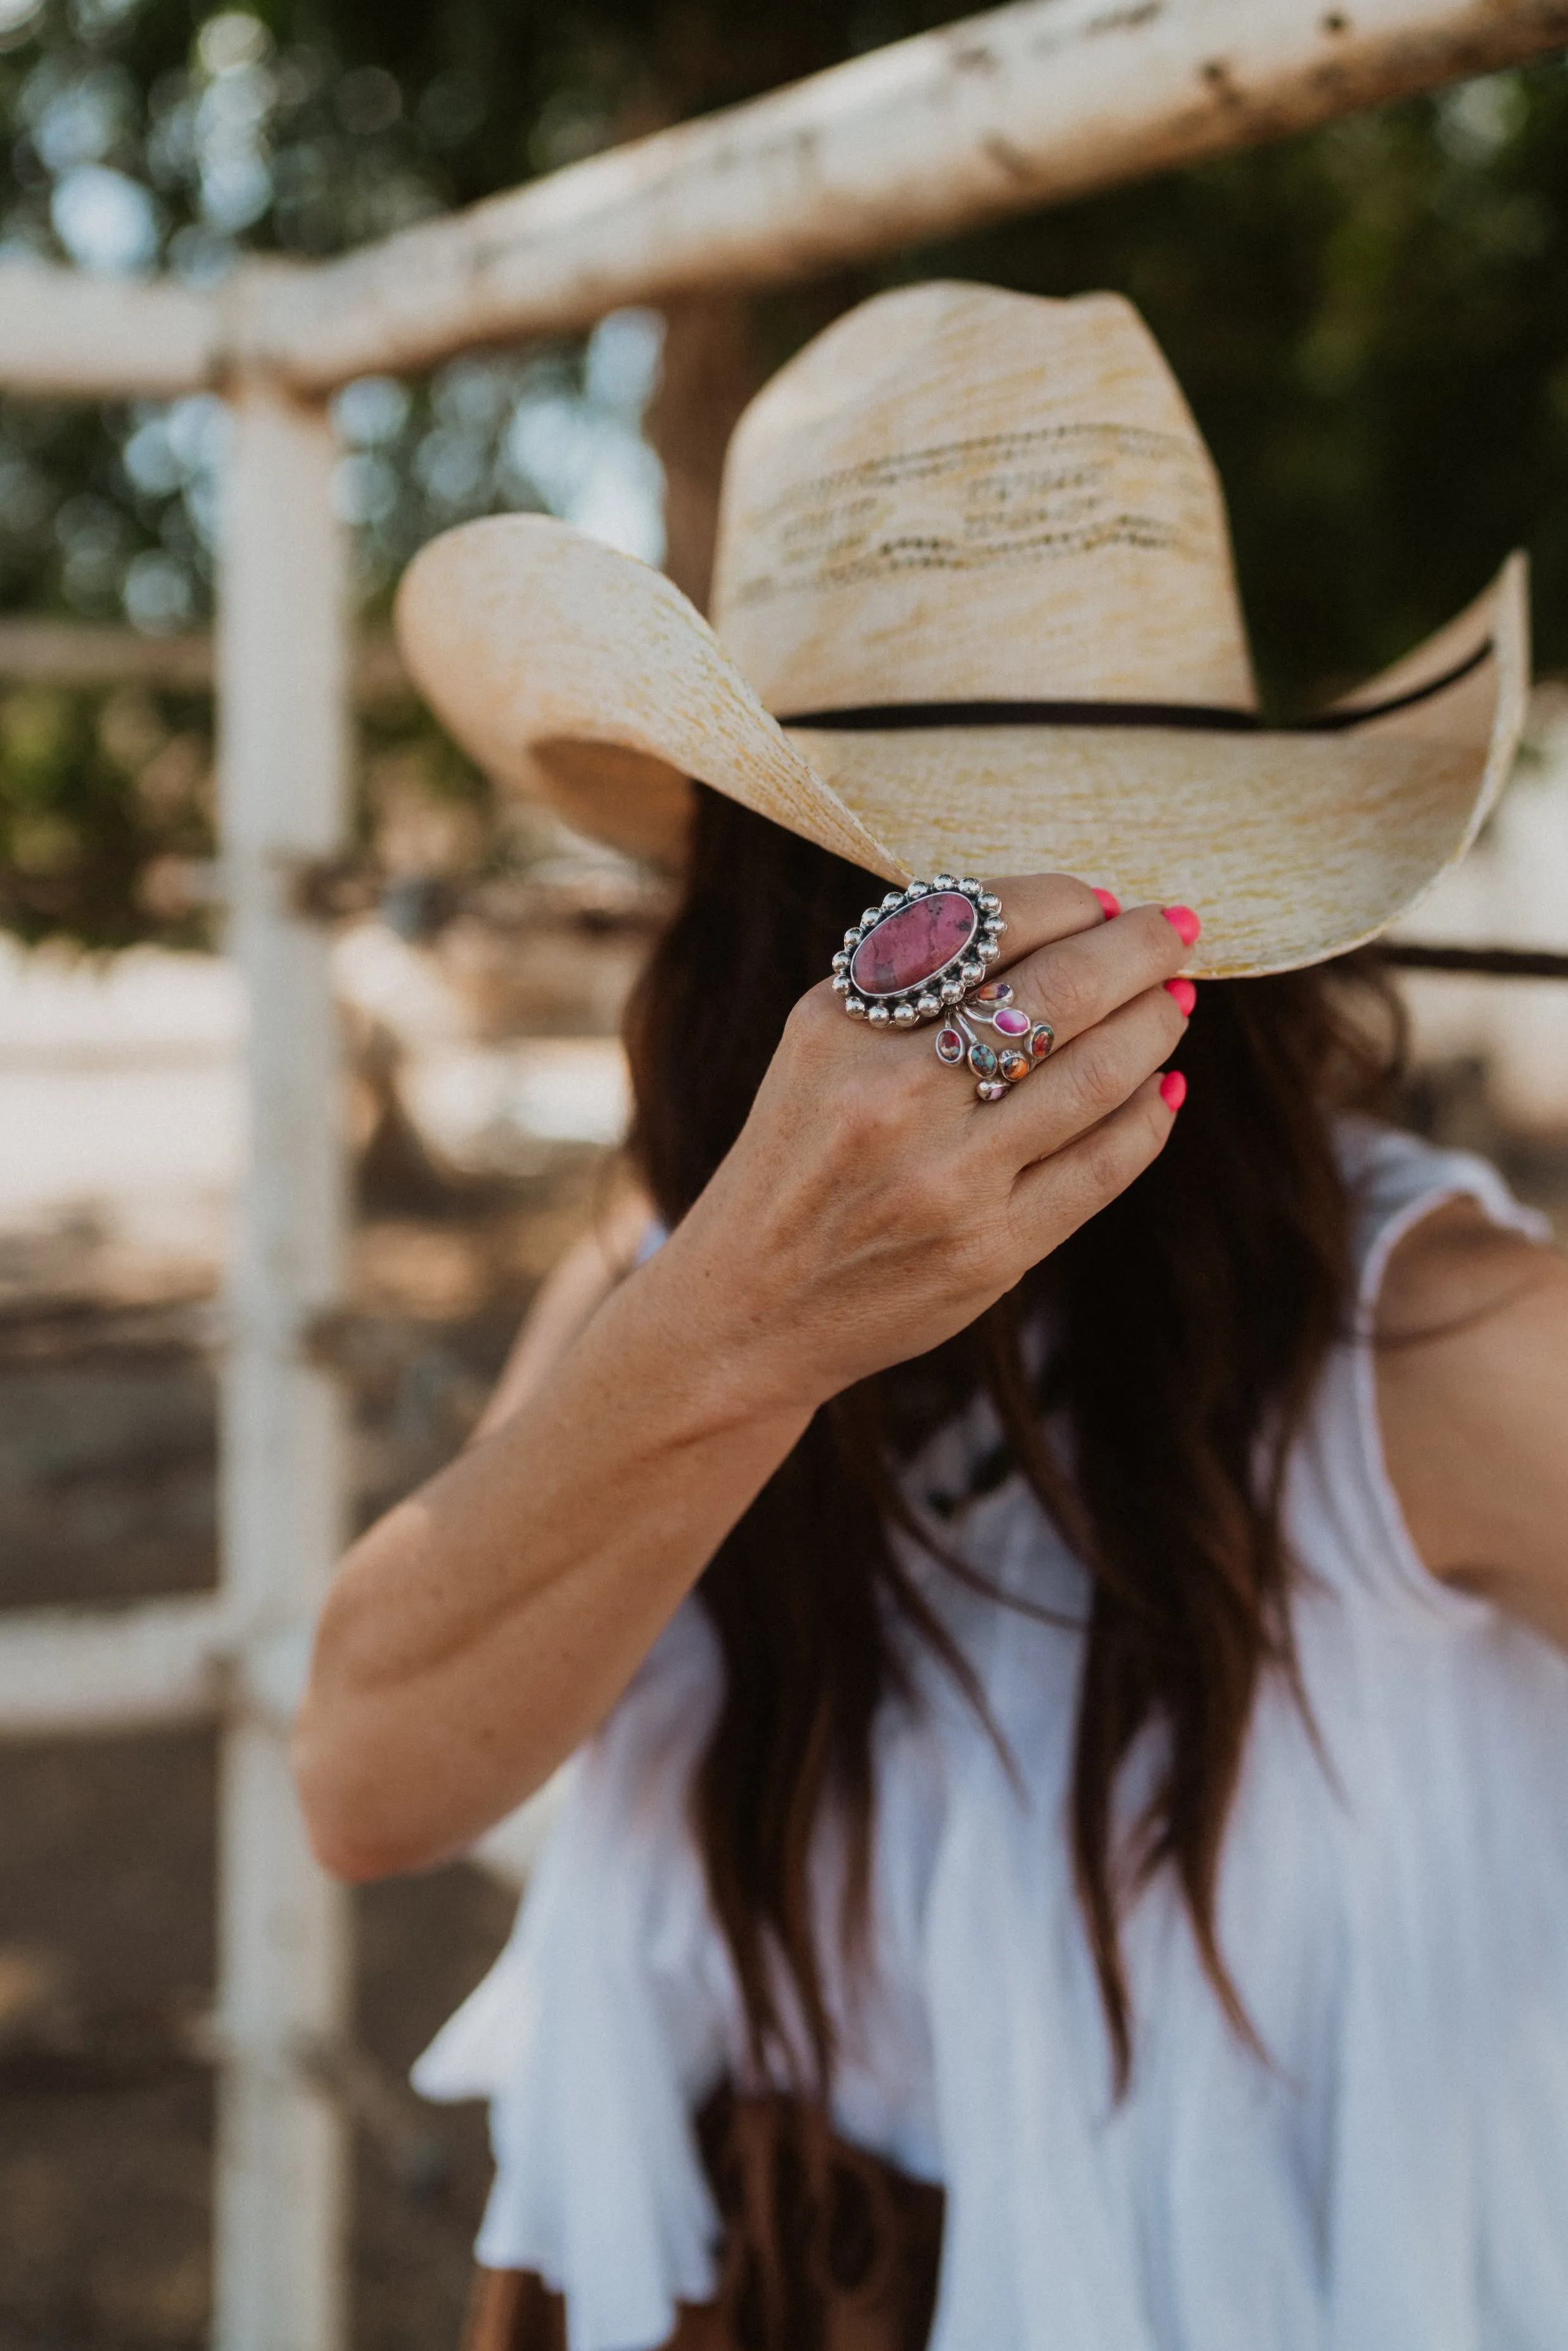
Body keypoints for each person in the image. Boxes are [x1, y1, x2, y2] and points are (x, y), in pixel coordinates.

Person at [293, 285, 1568, 2351]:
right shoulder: (657, 1261)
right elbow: (366, 1775)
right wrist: (737, 1321)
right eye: (878, 904)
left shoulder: (1430, 1355)